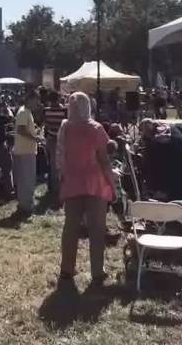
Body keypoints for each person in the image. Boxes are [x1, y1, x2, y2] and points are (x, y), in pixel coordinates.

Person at [57, 92, 115, 285]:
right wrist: (112, 184)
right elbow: (104, 159)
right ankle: (97, 271)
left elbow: (61, 155)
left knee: (70, 228)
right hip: (94, 182)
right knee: (96, 229)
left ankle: (67, 269)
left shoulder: (65, 127)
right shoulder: (96, 128)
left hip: (72, 180)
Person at [13, 91, 40, 215]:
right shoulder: (24, 112)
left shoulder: (25, 111)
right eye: (36, 101)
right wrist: (35, 138)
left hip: (24, 149)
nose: (37, 104)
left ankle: (24, 204)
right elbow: (21, 129)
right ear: (30, 99)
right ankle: (26, 205)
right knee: (27, 179)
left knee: (24, 178)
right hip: (25, 151)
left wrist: (34, 132)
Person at [43, 91, 68, 206]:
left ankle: (52, 185)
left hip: (50, 139)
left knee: (51, 163)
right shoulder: (64, 110)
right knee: (60, 164)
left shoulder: (46, 111)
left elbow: (46, 125)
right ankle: (59, 188)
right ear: (58, 99)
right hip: (61, 140)